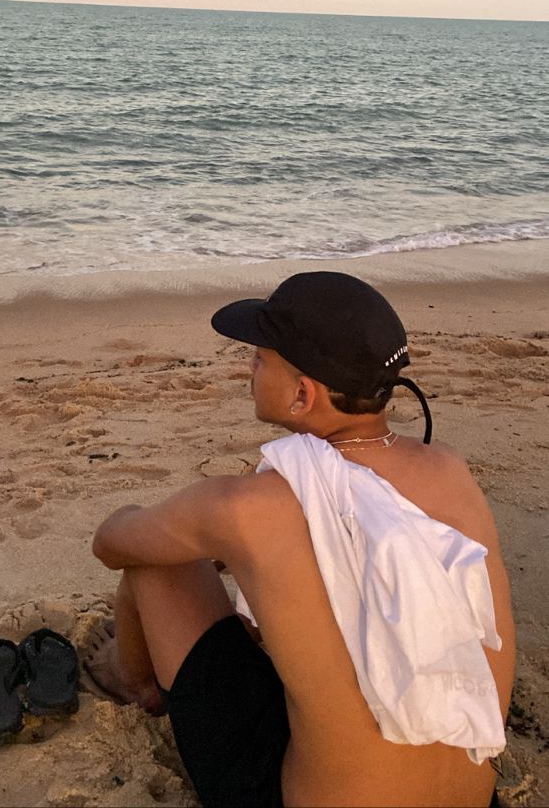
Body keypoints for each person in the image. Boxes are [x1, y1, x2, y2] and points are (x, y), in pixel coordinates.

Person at [87, 272, 514, 808]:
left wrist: (203, 532)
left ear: (302, 394)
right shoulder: (452, 471)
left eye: (259, 358)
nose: (249, 367)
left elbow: (112, 543)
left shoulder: (244, 508)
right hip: (473, 797)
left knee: (156, 560)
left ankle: (132, 681)